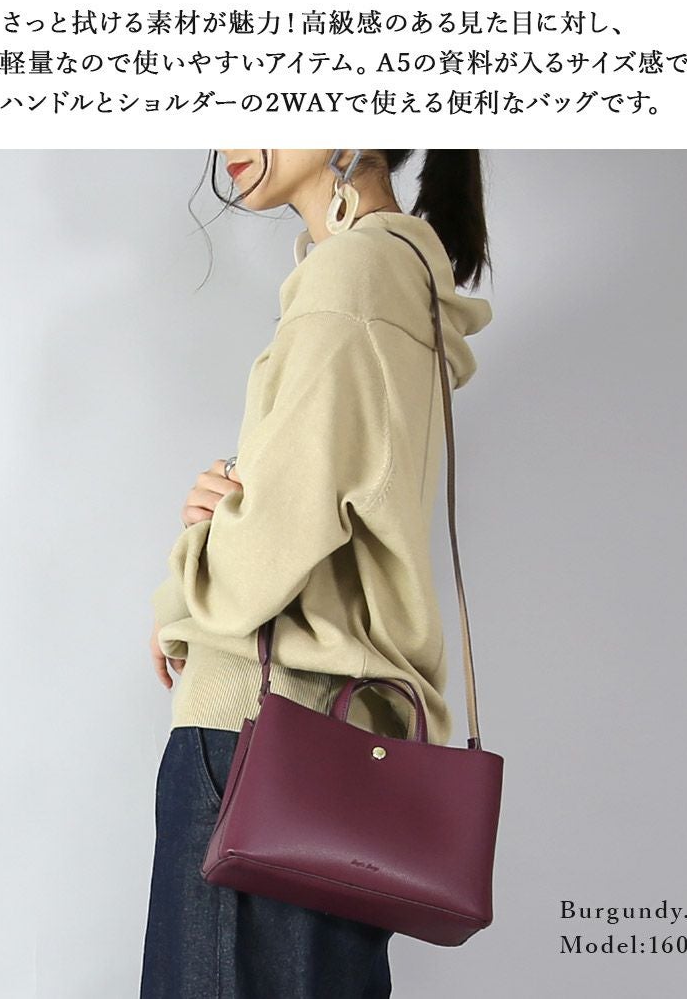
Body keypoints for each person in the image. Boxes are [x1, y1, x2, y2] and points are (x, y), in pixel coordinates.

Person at [139, 149, 494, 998]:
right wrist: (235, 502)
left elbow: (258, 561)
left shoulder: (352, 278)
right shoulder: (402, 276)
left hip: (258, 746)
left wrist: (192, 564)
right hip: (341, 760)